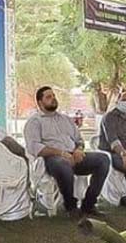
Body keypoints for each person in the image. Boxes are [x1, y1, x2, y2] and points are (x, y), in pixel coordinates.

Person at [24, 86, 109, 217]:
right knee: (63, 164)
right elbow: (34, 147)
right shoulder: (34, 122)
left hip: (74, 155)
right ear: (40, 102)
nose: (53, 99)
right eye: (48, 97)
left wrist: (79, 150)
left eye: (53, 96)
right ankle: (71, 207)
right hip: (53, 158)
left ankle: (89, 204)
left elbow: (79, 139)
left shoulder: (65, 119)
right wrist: (61, 153)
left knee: (103, 159)